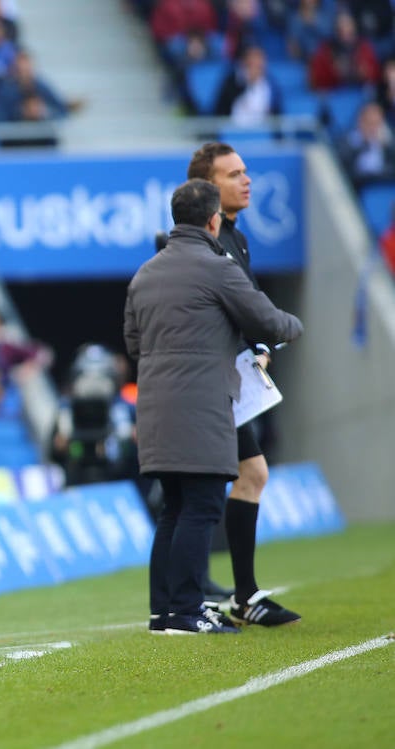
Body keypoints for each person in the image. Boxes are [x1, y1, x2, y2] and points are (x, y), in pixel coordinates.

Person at [124, 179, 302, 635]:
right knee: (202, 504)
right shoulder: (217, 268)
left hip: (155, 405)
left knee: (174, 507)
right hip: (202, 404)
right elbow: (267, 321)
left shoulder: (144, 274)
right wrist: (293, 326)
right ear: (212, 220)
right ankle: (187, 611)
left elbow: (133, 343)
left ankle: (164, 612)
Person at [187, 142, 303, 626]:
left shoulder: (236, 236)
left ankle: (231, 593)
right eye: (233, 174)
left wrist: (260, 346)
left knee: (247, 475)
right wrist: (273, 332)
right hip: (211, 380)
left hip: (233, 376)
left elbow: (245, 305)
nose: (246, 180)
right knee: (218, 484)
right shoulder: (207, 243)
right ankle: (204, 598)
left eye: (245, 171)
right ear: (209, 188)